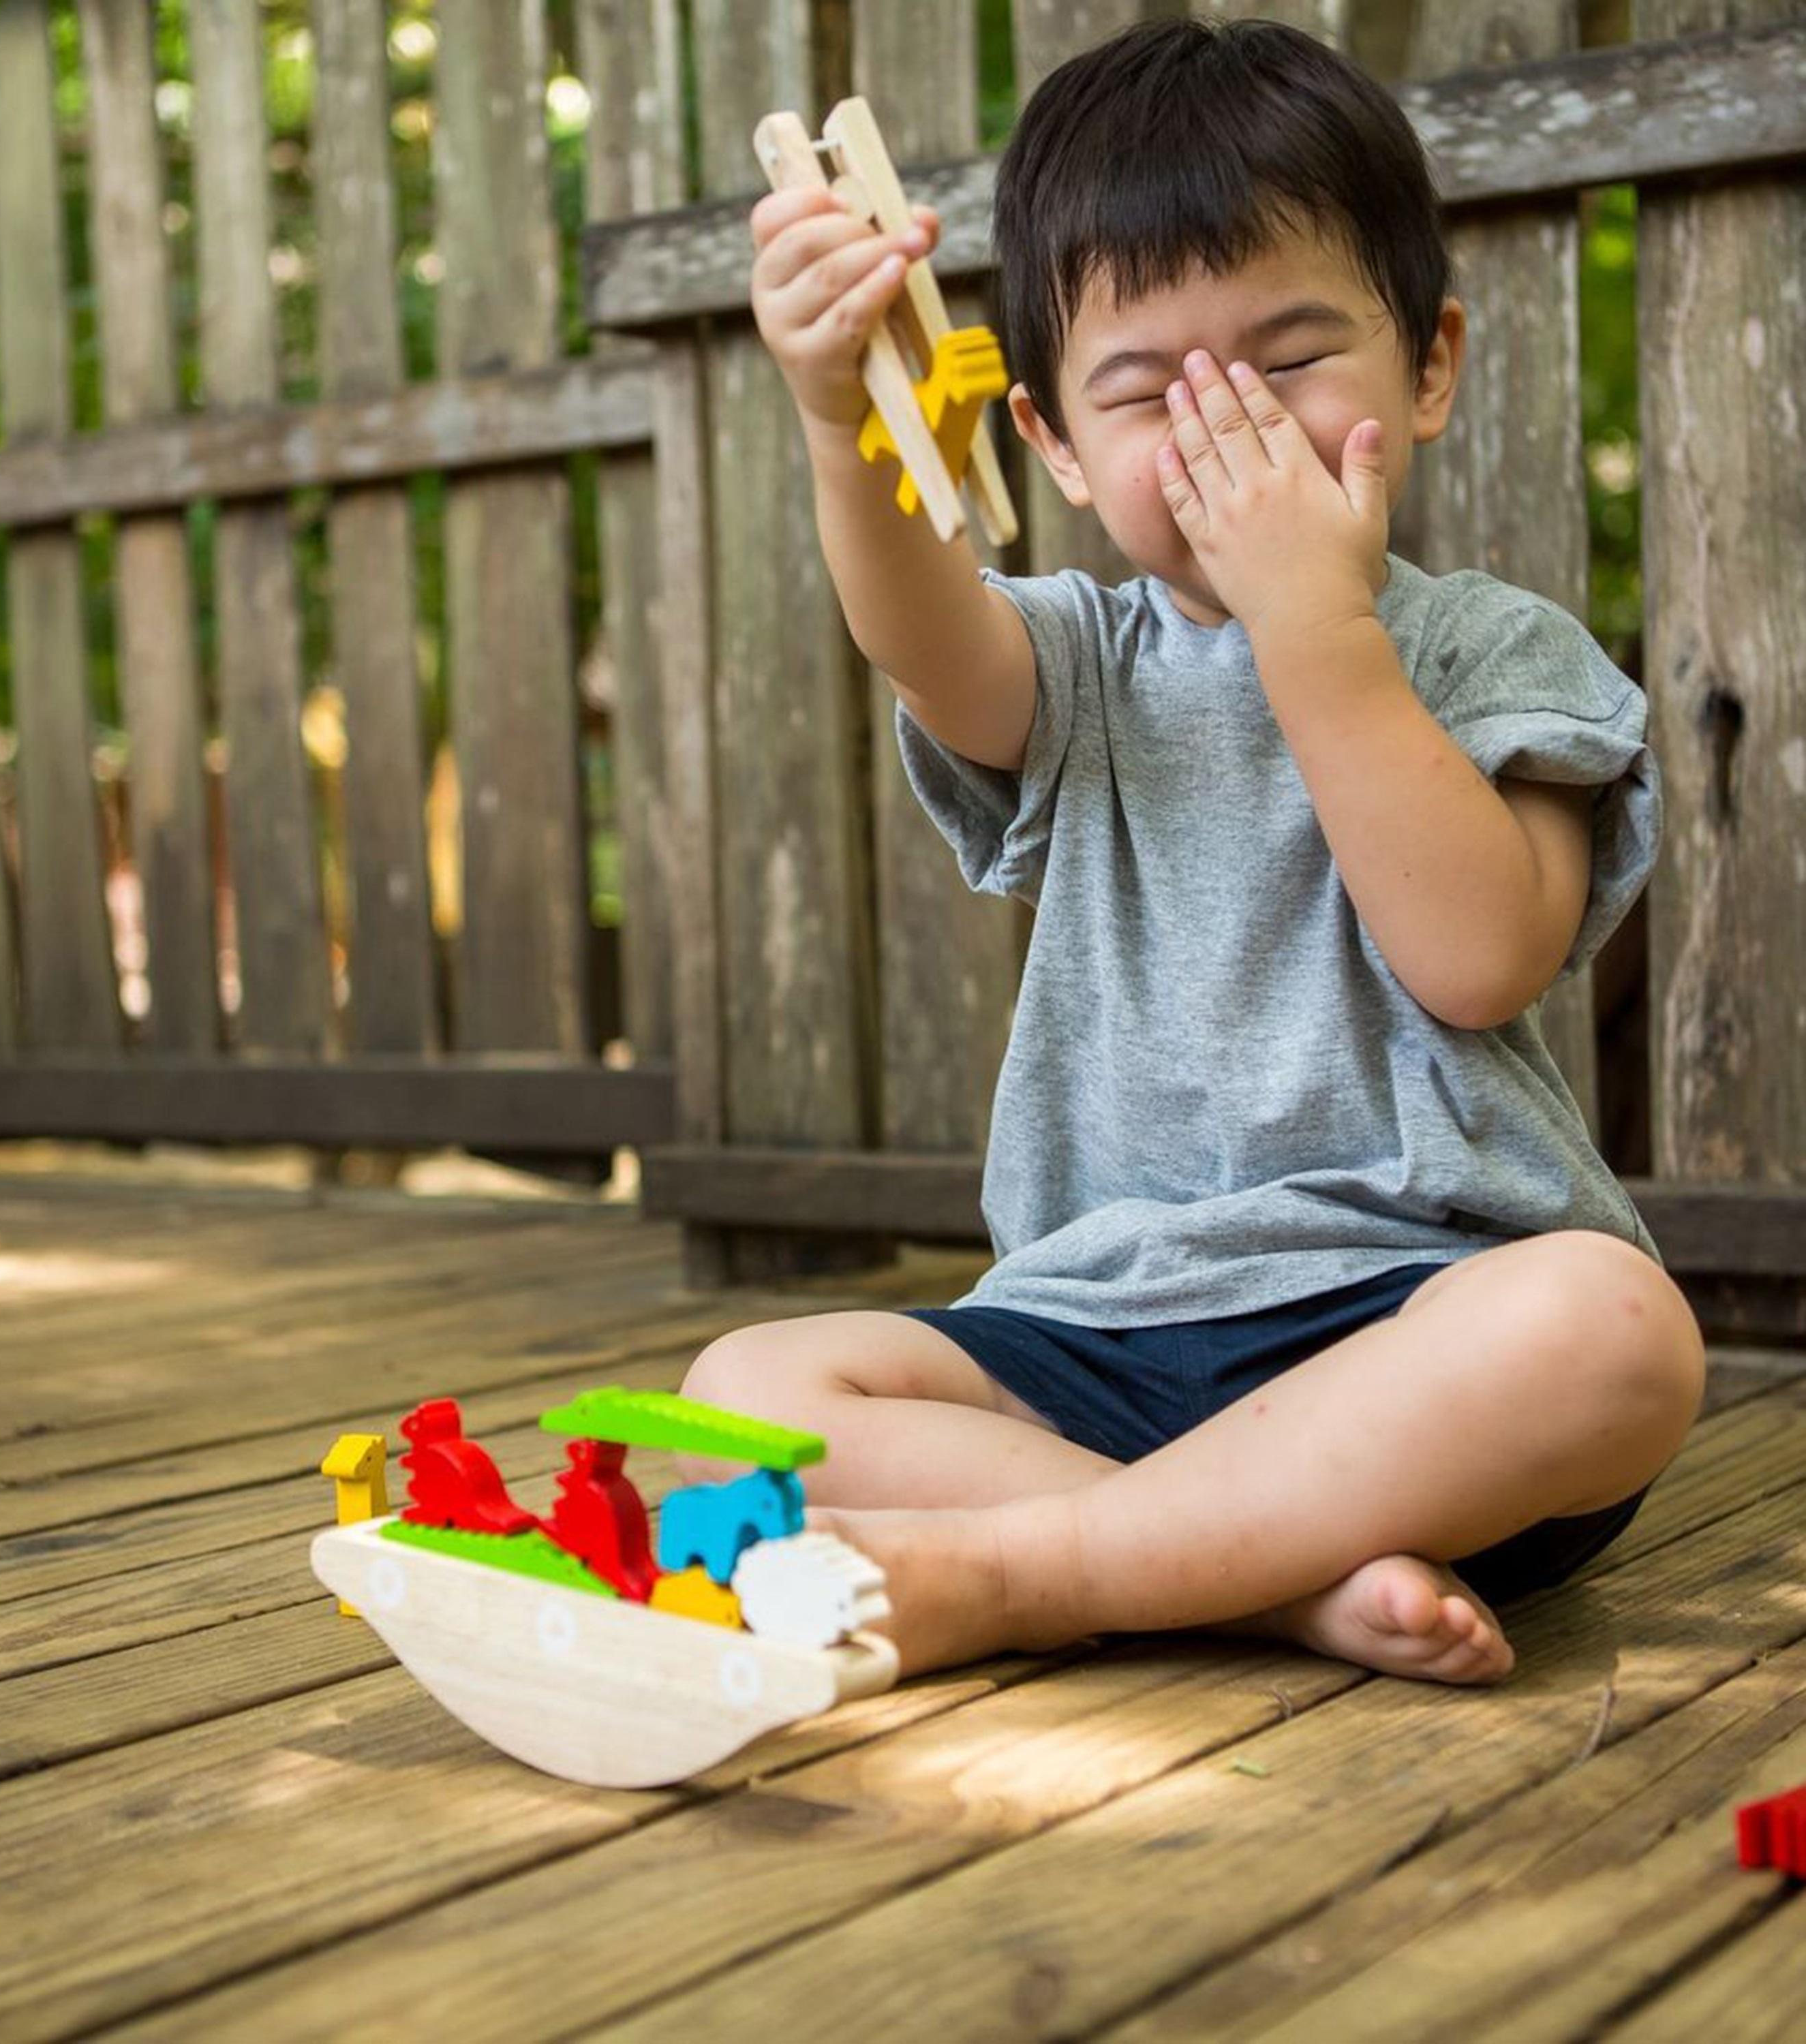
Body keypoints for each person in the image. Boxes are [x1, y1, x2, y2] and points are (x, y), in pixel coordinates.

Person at [677, 16, 1704, 1684]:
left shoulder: (1495, 656)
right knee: (741, 1396)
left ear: (1428, 365)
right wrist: (831, 413)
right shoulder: (1080, 660)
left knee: (1616, 1332)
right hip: (1097, 1331)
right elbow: (920, 634)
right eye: (1149, 390)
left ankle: (1032, 1567)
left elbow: (1476, 953)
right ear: (1058, 446)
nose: (1226, 422)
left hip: (1420, 1329)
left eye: (1292, 359)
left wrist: (1318, 625)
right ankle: (1260, 1578)